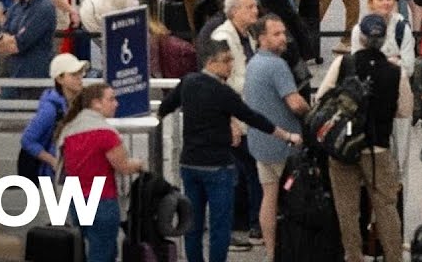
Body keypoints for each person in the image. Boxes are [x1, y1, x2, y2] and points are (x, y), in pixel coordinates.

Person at [159, 39, 302, 262]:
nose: (230, 66)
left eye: (231, 60)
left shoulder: (188, 82)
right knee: (220, 226)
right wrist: (286, 136)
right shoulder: (223, 93)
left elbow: (166, 106)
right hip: (218, 166)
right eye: (226, 61)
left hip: (189, 164)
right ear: (210, 62)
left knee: (193, 224)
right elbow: (253, 118)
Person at [317, 15, 412, 262]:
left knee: (347, 210)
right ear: (384, 39)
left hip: (344, 147)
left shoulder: (343, 63)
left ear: (360, 37)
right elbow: (404, 110)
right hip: (378, 148)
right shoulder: (396, 72)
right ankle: (393, 257)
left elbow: (321, 97)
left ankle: (354, 256)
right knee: (386, 208)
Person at [54, 82, 147, 262]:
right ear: (96, 103)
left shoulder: (68, 131)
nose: (116, 103)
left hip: (75, 198)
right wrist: (139, 164)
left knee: (82, 251)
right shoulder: (106, 133)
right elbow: (123, 166)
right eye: (111, 99)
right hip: (102, 199)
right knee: (103, 252)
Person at [244, 16, 309, 260]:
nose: (284, 39)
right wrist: (311, 111)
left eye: (283, 33)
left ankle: (271, 252)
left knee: (268, 197)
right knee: (294, 198)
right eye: (276, 34)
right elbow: (295, 103)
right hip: (285, 146)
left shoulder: (254, 63)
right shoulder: (277, 66)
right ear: (261, 38)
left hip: (261, 143)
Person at [17, 53, 87, 179]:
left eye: (80, 73)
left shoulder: (74, 104)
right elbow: (27, 140)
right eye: (73, 74)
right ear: (59, 79)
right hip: (47, 174)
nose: (79, 78)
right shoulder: (50, 109)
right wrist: (53, 161)